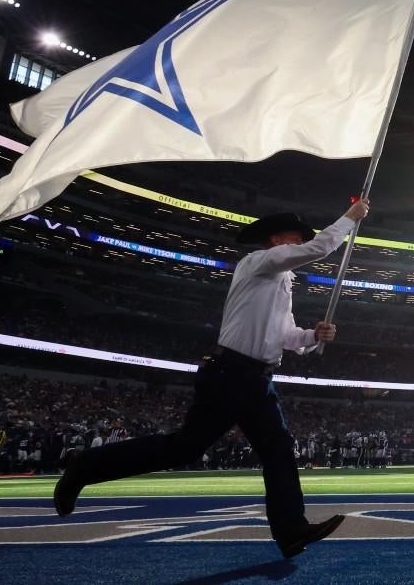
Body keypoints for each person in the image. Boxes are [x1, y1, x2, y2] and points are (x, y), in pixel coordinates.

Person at [54, 199, 371, 559]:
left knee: (277, 450)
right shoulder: (258, 262)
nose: (298, 245)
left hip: (256, 379)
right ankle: (84, 466)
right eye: (293, 239)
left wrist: (313, 336)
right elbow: (320, 249)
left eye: (299, 240)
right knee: (186, 448)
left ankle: (291, 530)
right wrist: (349, 218)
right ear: (274, 240)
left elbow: (284, 336)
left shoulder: (281, 283)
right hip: (232, 374)